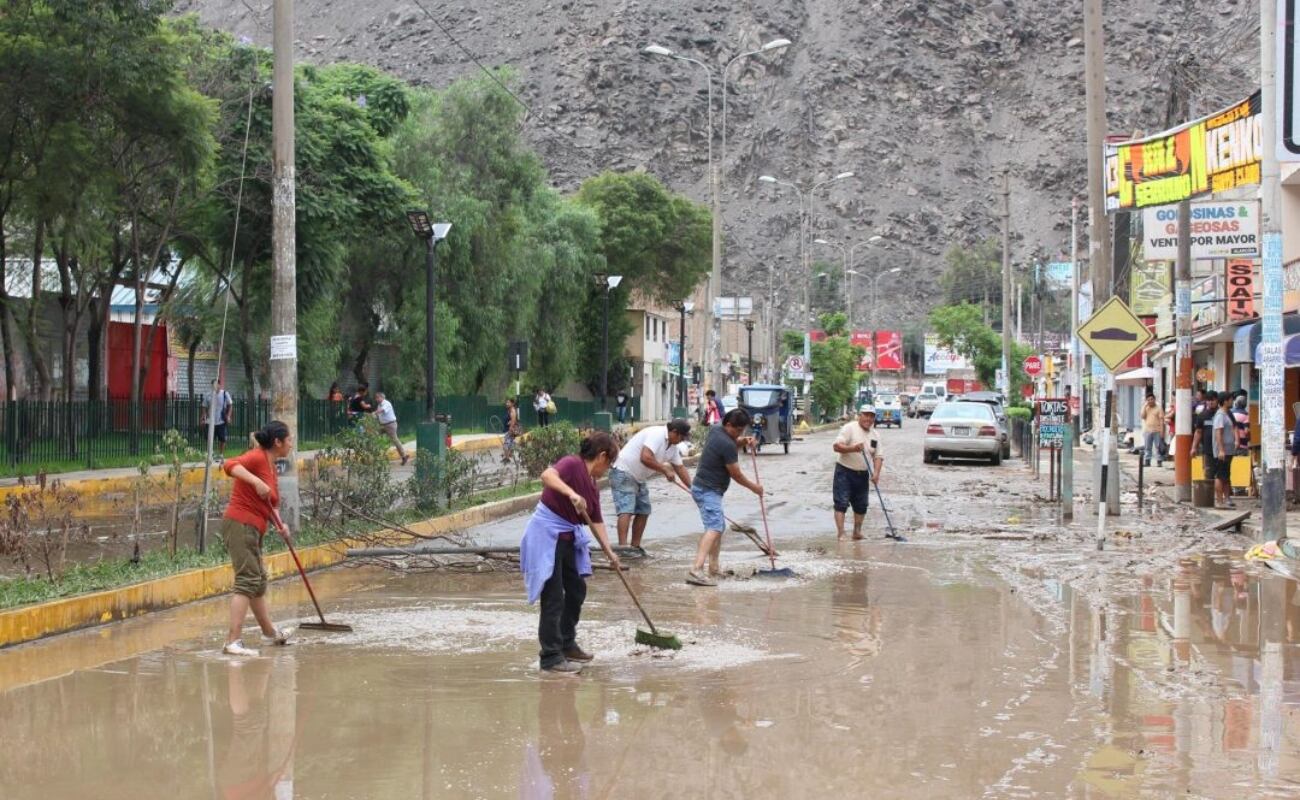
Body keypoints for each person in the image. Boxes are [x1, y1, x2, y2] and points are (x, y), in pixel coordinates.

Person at [520, 432, 621, 674]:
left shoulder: (593, 485)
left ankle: (567, 643)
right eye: (609, 464)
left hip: (567, 540)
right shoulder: (572, 464)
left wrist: (610, 553)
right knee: (553, 597)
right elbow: (547, 475)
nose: (607, 470)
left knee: (576, 590)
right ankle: (551, 657)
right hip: (546, 536)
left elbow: (596, 521)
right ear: (602, 456)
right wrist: (571, 493)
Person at [220, 420, 295, 657]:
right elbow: (230, 465)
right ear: (278, 442)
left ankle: (270, 634)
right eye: (289, 439)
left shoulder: (271, 466)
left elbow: (271, 504)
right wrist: (256, 481)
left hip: (255, 527)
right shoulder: (257, 457)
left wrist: (280, 525)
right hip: (241, 524)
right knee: (247, 580)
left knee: (258, 582)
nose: (291, 444)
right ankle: (233, 641)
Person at [687, 408, 762, 587]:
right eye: (738, 430)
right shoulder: (727, 444)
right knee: (715, 527)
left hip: (704, 487)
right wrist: (755, 488)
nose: (740, 433)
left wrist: (743, 441)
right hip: (708, 490)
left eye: (743, 431)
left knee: (717, 527)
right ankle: (695, 570)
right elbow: (736, 474)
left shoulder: (716, 429)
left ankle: (713, 568)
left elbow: (732, 441)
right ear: (728, 425)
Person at [608, 419, 692, 548]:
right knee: (626, 510)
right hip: (623, 471)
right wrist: (664, 469)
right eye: (681, 437)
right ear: (674, 432)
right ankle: (623, 548)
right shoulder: (657, 434)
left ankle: (635, 547)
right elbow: (645, 457)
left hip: (639, 478)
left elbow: (680, 468)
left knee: (644, 510)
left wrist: (694, 490)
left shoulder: (673, 448)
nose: (681, 441)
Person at [831, 405, 885, 541]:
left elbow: (878, 456)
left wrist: (876, 473)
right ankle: (841, 533)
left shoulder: (875, 435)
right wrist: (852, 448)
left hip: (862, 474)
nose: (868, 418)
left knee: (861, 505)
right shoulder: (850, 428)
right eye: (866, 415)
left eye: (871, 416)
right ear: (860, 416)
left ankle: (857, 532)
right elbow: (836, 446)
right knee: (841, 503)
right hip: (844, 471)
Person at [1212, 393, 1237, 509]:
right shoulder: (1220, 416)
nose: (1232, 402)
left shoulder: (1227, 415)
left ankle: (1227, 499)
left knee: (1226, 475)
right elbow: (1218, 433)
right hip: (1223, 451)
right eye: (1231, 400)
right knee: (1220, 475)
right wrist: (1221, 450)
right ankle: (1219, 501)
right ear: (1225, 401)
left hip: (1228, 450)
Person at [372, 391, 408, 466]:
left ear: (382, 397)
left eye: (378, 397)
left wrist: (375, 413)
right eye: (376, 398)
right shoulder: (379, 405)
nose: (376, 399)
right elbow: (379, 415)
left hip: (390, 425)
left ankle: (404, 456)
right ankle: (376, 457)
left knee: (395, 440)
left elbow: (382, 410)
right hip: (382, 425)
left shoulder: (386, 403)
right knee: (373, 436)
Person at [1140, 392, 1165, 467]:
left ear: (1154, 399)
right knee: (1147, 447)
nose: (1150, 401)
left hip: (1157, 430)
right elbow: (1142, 416)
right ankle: (1147, 461)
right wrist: (1144, 406)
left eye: (1152, 399)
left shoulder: (1159, 408)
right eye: (1148, 400)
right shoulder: (1146, 408)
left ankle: (1159, 461)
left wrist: (1162, 431)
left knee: (1158, 447)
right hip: (1148, 430)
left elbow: (1161, 420)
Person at [503, 397, 521, 463]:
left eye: (508, 402)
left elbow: (513, 420)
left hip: (510, 430)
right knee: (509, 444)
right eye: (506, 402)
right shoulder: (509, 410)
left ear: (512, 403)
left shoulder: (512, 411)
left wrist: (510, 429)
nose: (506, 404)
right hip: (507, 429)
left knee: (505, 444)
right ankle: (508, 455)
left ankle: (507, 458)